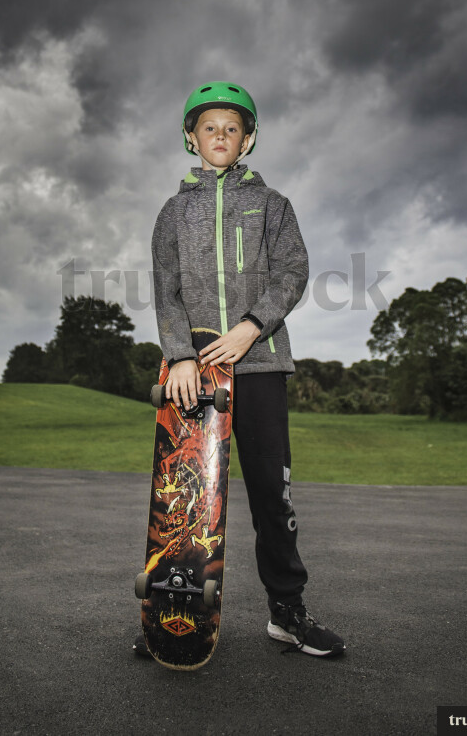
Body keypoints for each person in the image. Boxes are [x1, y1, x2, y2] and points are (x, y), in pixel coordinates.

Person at [136, 81, 345, 657]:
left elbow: (293, 273)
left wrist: (253, 326)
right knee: (186, 501)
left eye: (232, 128)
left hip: (259, 366)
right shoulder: (174, 212)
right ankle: (169, 612)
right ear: (190, 138)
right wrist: (179, 354)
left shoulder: (274, 205)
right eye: (210, 128)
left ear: (248, 138)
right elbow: (166, 289)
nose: (221, 136)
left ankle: (287, 612)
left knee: (270, 497)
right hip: (192, 375)